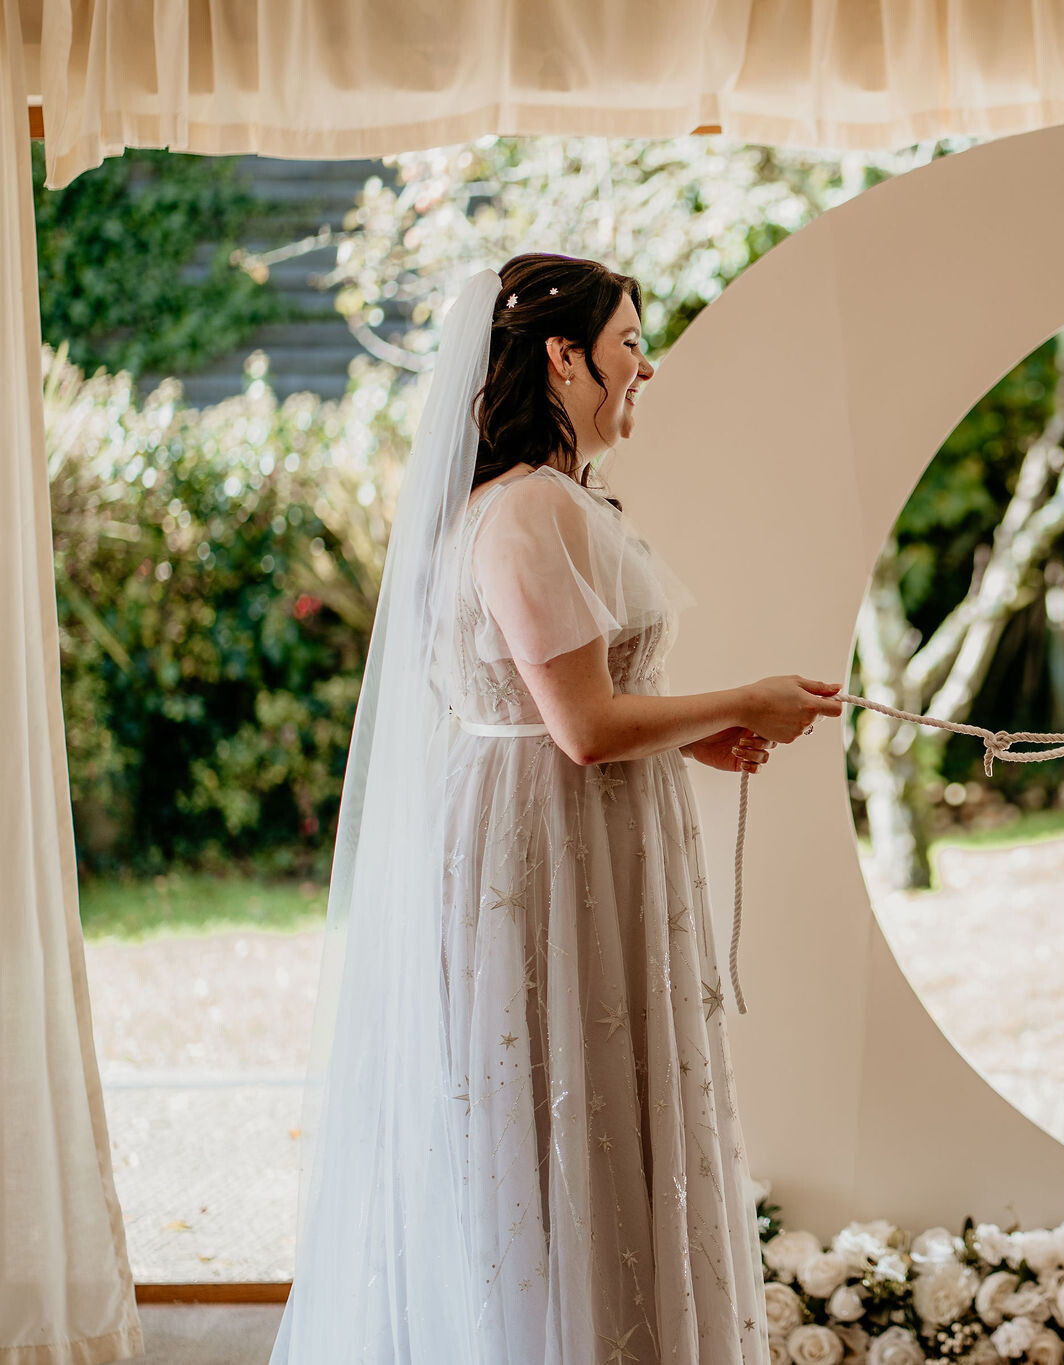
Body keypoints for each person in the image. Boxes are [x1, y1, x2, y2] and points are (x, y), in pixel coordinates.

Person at [270, 254, 841, 1365]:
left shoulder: (547, 502)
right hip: (541, 858)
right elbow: (579, 728)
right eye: (630, 343)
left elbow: (573, 711)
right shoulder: (527, 509)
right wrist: (749, 700)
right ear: (561, 356)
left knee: (585, 1113)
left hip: (570, 828)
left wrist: (697, 737)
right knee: (550, 1117)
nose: (645, 366)